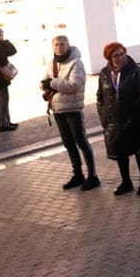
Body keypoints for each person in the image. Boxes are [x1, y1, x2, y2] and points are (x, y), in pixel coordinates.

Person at [43, 35, 99, 191]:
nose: (59, 47)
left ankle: (92, 176)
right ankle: (78, 174)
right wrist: (47, 84)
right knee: (68, 143)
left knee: (81, 141)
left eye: (62, 44)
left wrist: (52, 83)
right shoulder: (52, 63)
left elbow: (74, 85)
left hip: (73, 109)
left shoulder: (76, 63)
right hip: (58, 109)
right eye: (56, 45)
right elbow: (43, 82)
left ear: (68, 45)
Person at [97, 42, 140, 196]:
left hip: (134, 119)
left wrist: (136, 113)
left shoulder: (134, 71)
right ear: (109, 58)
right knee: (120, 152)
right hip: (114, 120)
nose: (120, 57)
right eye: (116, 55)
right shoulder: (104, 73)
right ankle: (126, 182)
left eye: (122, 54)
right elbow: (100, 96)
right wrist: (104, 116)